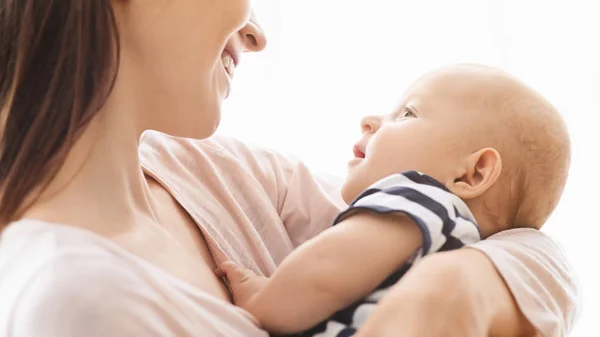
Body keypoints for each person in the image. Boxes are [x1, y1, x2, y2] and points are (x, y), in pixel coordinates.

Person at [0, 1, 578, 337]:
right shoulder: (76, 302)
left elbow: (529, 239)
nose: (256, 34)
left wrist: (459, 287)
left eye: (407, 113)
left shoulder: (217, 173)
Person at [216, 64, 572, 337]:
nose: (371, 121)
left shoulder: (420, 199)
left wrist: (263, 298)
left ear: (471, 174)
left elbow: (326, 270)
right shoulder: (453, 238)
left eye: (407, 114)